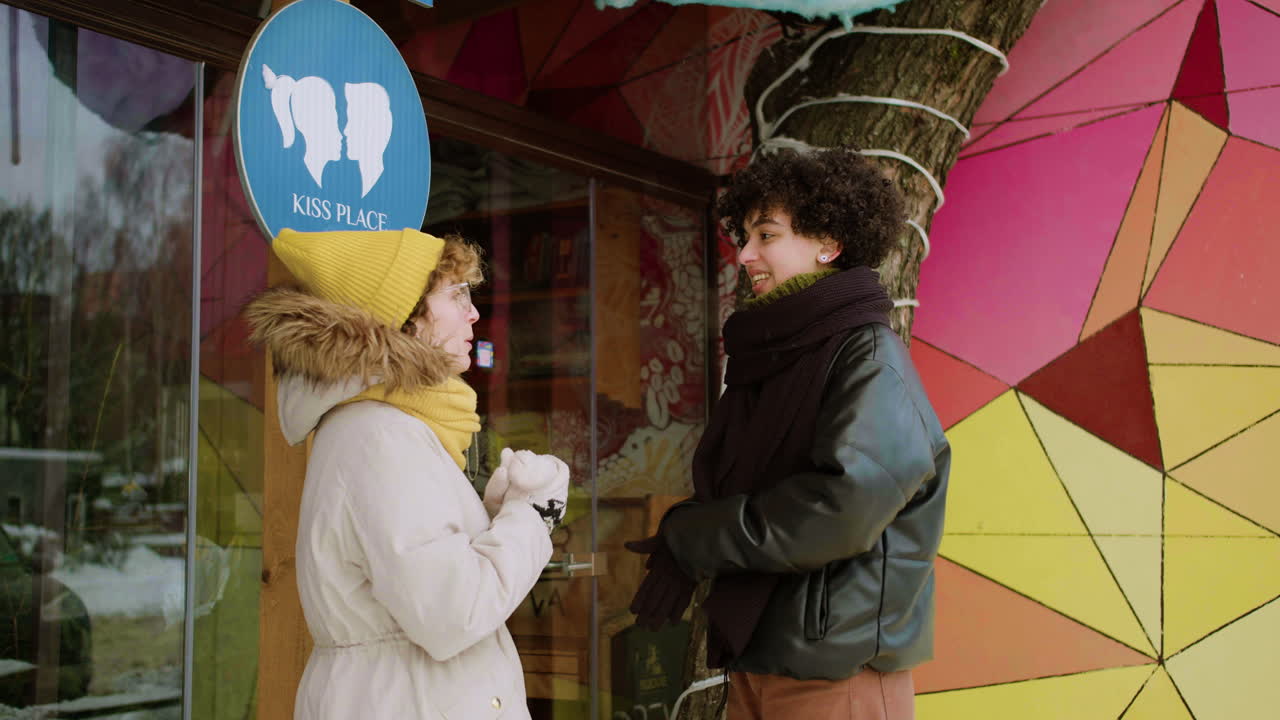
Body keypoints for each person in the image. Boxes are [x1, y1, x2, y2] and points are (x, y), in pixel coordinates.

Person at [626, 147, 950, 720]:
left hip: (836, 672)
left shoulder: (868, 359)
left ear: (829, 242)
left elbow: (839, 509)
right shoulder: (776, 355)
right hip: (764, 659)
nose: (745, 254)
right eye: (745, 236)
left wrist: (696, 536)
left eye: (767, 235)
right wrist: (690, 539)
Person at [245, 228, 568, 720]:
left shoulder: (386, 428)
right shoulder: (381, 436)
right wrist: (532, 515)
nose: (473, 313)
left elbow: (420, 580)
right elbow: (452, 614)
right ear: (406, 316)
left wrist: (497, 516)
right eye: (456, 295)